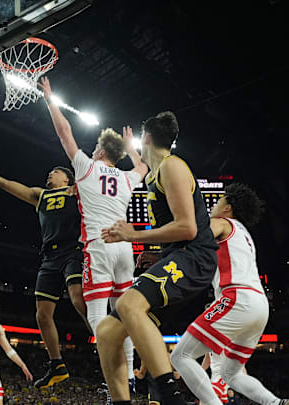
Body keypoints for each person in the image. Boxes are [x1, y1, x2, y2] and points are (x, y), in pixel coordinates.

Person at [97, 111, 218, 405]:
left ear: (146, 137)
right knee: (106, 332)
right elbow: (142, 163)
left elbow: (187, 227)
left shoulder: (172, 166)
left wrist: (133, 235)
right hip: (177, 256)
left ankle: (170, 396)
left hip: (194, 257)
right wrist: (129, 147)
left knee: (128, 303)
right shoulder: (155, 169)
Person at [38, 77, 148, 390]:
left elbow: (64, 132)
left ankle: (114, 376)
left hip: (98, 246)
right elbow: (144, 169)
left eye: (97, 145)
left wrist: (49, 98)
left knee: (98, 315)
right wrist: (132, 151)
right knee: (122, 312)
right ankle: (129, 378)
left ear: (100, 150)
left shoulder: (86, 167)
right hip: (125, 250)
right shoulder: (127, 177)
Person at [0, 151, 88, 389]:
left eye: (55, 172)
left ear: (67, 179)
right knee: (41, 315)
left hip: (73, 250)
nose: (50, 174)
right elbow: (3, 183)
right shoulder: (40, 195)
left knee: (78, 298)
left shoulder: (76, 191)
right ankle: (57, 365)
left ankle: (107, 338)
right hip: (50, 256)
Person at [169, 184, 289, 405]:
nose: (213, 206)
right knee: (232, 374)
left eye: (218, 201)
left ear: (227, 207)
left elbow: (192, 238)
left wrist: (158, 252)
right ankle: (276, 403)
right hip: (259, 304)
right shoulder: (245, 234)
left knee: (180, 356)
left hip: (237, 298)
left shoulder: (221, 223)